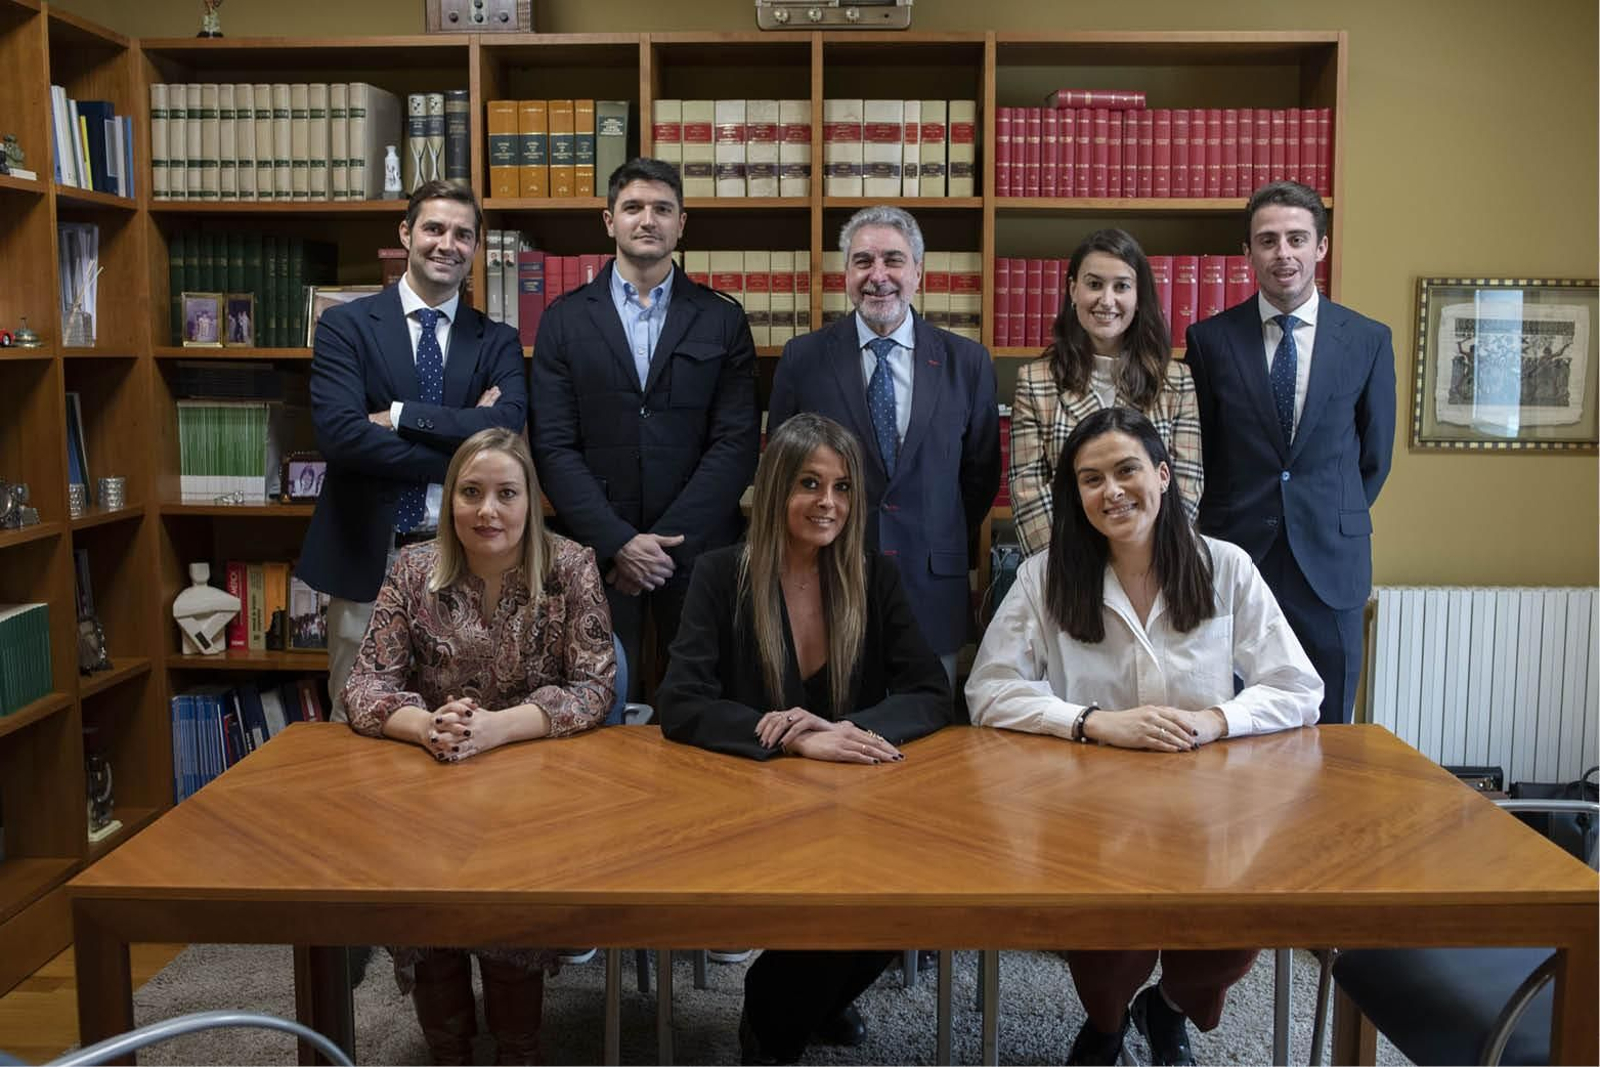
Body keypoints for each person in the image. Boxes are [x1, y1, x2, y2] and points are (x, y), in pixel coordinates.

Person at [966, 406, 1321, 1067]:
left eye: (1127, 470)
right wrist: (1090, 720)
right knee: (1106, 949)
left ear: (1162, 475)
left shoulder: (1226, 566)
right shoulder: (1046, 575)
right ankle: (1105, 1024)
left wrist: (1216, 719)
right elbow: (989, 690)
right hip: (1091, 808)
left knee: (1231, 941)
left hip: (1211, 804)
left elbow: (1298, 687)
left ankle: (1167, 1008)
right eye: (1090, 477)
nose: (1111, 491)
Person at [656, 413, 953, 1063]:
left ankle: (804, 999)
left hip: (856, 804)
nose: (828, 502)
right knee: (832, 917)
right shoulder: (719, 573)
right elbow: (678, 702)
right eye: (810, 483)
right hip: (748, 804)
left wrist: (850, 729)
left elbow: (932, 691)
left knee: (910, 899)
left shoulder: (873, 577)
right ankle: (776, 1018)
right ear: (772, 489)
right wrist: (787, 738)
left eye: (844, 487)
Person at [344, 427, 616, 1065]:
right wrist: (425, 725)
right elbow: (363, 686)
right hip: (432, 782)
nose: (487, 510)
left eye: (505, 493)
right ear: (450, 502)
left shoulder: (570, 564)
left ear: (531, 502)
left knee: (507, 920)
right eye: (471, 493)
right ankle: (449, 1051)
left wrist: (497, 729)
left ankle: (518, 1051)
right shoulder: (413, 568)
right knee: (430, 915)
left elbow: (595, 688)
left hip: (536, 788)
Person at [296, 179, 527, 724]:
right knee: (359, 723)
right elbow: (342, 438)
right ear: (406, 233)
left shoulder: (496, 340)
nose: (447, 243)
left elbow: (507, 430)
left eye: (463, 234)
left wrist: (398, 417)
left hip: (467, 561)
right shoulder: (345, 326)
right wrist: (468, 456)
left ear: (476, 247)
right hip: (371, 559)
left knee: (467, 722)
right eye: (434, 228)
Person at [530, 156, 759, 701]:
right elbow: (553, 446)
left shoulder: (722, 318)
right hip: (597, 558)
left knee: (704, 704)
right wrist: (618, 543)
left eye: (662, 209)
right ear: (609, 221)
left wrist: (659, 549)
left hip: (699, 552)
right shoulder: (564, 320)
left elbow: (736, 443)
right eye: (633, 207)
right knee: (599, 707)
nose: (647, 220)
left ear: (682, 223)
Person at [1185, 180, 1395, 723]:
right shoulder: (1210, 341)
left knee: (1331, 733)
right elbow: (1203, 448)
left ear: (1320, 247)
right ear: (1247, 253)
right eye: (1269, 240)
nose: (1284, 254)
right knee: (1233, 725)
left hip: (1331, 562)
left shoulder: (1368, 340)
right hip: (1237, 559)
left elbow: (1374, 457)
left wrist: (1319, 511)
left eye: (1297, 239)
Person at [766, 206, 999, 688]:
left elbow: (979, 477)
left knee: (931, 741)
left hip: (932, 587)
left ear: (918, 272)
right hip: (829, 583)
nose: (878, 276)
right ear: (845, 273)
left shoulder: (967, 362)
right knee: (832, 735)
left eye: (893, 260)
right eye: (862, 261)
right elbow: (780, 472)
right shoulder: (803, 359)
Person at [1009, 228, 1202, 558]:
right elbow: (1027, 496)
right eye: (1094, 284)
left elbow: (1186, 489)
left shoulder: (1177, 381)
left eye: (1122, 286)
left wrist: (1134, 562)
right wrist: (1081, 565)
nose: (1107, 300)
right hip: (1067, 567)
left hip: (1152, 565)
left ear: (1139, 296)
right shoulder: (1035, 381)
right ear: (1073, 289)